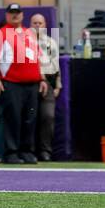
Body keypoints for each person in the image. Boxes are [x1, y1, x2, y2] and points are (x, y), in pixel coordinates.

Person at [0, 3, 44, 164]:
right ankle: (11, 152)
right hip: (12, 83)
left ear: (22, 15)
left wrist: (42, 79)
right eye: (12, 13)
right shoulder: (1, 33)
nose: (15, 15)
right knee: (13, 119)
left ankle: (26, 151)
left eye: (17, 13)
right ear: (7, 15)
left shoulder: (29, 33)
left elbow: (36, 57)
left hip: (32, 83)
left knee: (30, 118)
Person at [30, 12, 62, 161]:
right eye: (34, 23)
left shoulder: (51, 43)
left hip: (48, 83)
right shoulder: (25, 41)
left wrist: (58, 85)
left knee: (48, 116)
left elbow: (56, 65)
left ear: (45, 26)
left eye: (40, 23)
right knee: (30, 117)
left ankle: (45, 151)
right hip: (30, 83)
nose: (37, 26)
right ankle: (29, 150)